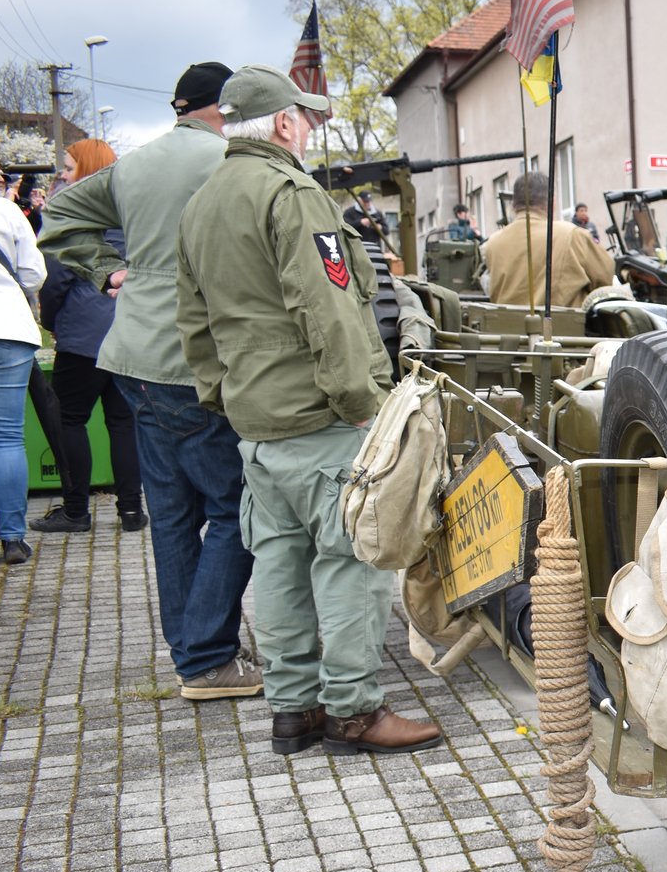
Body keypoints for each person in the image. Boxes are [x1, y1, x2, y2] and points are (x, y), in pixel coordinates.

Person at [177, 64, 441, 756]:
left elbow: (195, 325)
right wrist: (363, 405)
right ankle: (353, 710)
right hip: (324, 420)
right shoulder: (290, 193)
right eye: (306, 118)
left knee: (280, 565)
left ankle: (293, 710)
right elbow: (326, 308)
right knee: (352, 561)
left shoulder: (203, 202)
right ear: (284, 123)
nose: (309, 129)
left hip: (258, 427)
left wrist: (225, 399)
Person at [39, 60, 263, 701]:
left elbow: (58, 218)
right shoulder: (231, 162)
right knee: (235, 507)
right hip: (196, 358)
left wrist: (109, 270)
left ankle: (194, 653)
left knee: (171, 514)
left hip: (133, 352)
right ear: (227, 108)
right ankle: (206, 658)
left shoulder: (133, 164)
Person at [31, 139, 145, 535]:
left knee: (70, 419)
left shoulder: (75, 212)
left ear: (85, 167)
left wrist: (52, 320)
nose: (62, 172)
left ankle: (76, 510)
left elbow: (56, 277)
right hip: (129, 329)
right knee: (123, 422)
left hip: (83, 335)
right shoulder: (130, 209)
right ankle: (132, 510)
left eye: (67, 164)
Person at [0, 184, 46, 566]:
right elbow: (32, 274)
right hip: (10, 327)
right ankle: (12, 539)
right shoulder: (8, 213)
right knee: (7, 437)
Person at [482, 172, 614, 310]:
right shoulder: (572, 235)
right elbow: (604, 278)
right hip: (561, 328)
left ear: (514, 205)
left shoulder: (493, 243)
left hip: (506, 328)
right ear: (552, 201)